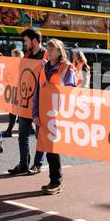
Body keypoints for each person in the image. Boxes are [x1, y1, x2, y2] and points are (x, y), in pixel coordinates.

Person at [32, 39, 77, 195]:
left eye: (53, 49)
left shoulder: (66, 68)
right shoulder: (43, 68)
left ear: (60, 51)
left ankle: (56, 181)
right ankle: (53, 180)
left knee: (53, 148)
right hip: (44, 115)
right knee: (48, 147)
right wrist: (35, 114)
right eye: (48, 48)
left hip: (58, 115)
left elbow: (72, 92)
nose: (49, 51)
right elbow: (37, 93)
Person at [8, 28, 48, 175]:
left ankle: (37, 164)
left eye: (26, 40)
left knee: (40, 136)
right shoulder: (27, 55)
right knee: (22, 135)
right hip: (26, 101)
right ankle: (23, 164)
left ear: (34, 41)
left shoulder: (46, 55)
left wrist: (46, 66)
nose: (24, 43)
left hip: (41, 102)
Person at [2, 49, 24, 138]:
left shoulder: (15, 65)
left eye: (12, 55)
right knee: (21, 112)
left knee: (13, 112)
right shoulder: (23, 64)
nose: (11, 57)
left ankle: (9, 130)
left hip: (16, 91)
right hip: (20, 91)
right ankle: (30, 129)